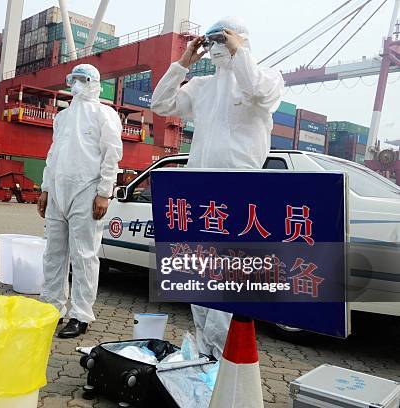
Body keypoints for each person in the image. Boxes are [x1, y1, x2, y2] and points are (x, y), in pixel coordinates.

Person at [150, 17, 284, 359]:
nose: (217, 47)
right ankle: (206, 359)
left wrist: (237, 48)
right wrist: (182, 65)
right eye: (213, 41)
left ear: (242, 41)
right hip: (198, 193)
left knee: (229, 279)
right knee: (199, 276)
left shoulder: (266, 79)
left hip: (239, 195)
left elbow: (257, 89)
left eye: (223, 39)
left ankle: (220, 360)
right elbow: (161, 104)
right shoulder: (202, 85)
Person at [37, 64, 123, 339]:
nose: (76, 85)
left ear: (94, 83)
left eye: (82, 80)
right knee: (53, 253)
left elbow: (112, 154)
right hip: (58, 191)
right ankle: (52, 307)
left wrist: (104, 192)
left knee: (84, 255)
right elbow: (53, 155)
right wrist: (46, 188)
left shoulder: (104, 114)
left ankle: (80, 314)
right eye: (73, 79)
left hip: (87, 191)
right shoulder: (62, 117)